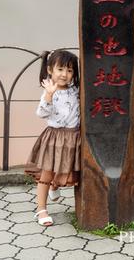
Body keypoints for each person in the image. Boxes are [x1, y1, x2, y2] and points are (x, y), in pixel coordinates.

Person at [25, 49, 81, 226]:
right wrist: (49, 95)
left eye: (70, 70)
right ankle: (41, 209)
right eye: (60, 69)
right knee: (47, 172)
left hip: (74, 136)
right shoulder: (50, 90)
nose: (65, 74)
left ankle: (55, 186)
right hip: (55, 136)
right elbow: (41, 113)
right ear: (50, 70)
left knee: (67, 167)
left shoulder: (76, 90)